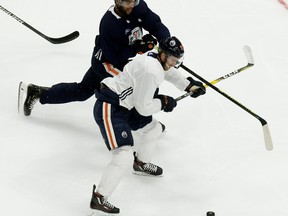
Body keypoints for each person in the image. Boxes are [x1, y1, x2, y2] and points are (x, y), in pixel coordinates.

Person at [88, 36, 206, 214]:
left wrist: (188, 85)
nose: (174, 64)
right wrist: (163, 102)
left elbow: (169, 72)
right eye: (173, 60)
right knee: (123, 155)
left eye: (177, 60)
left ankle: (141, 163)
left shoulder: (157, 59)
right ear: (164, 55)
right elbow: (144, 108)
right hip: (110, 106)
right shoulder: (150, 70)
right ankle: (99, 197)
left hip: (127, 105)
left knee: (153, 129)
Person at [20, 0, 170, 119]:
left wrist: (167, 43)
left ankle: (37, 92)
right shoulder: (110, 23)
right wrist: (138, 47)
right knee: (136, 85)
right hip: (106, 63)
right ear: (117, 1)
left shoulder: (138, 7)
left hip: (117, 60)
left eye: (133, 1)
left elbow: (155, 25)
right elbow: (114, 56)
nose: (131, 6)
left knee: (82, 91)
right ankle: (143, 125)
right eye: (126, 2)